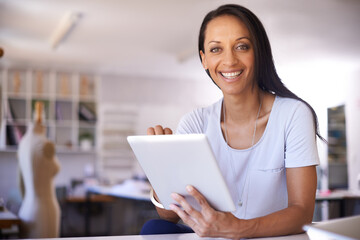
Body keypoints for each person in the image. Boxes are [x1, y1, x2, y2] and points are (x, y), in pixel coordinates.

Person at [141, 4, 323, 239]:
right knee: (153, 229)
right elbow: (169, 216)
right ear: (204, 60)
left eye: (241, 46)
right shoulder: (195, 123)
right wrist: (161, 170)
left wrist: (239, 229)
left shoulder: (293, 115)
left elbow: (302, 213)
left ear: (258, 52)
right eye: (216, 49)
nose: (229, 60)